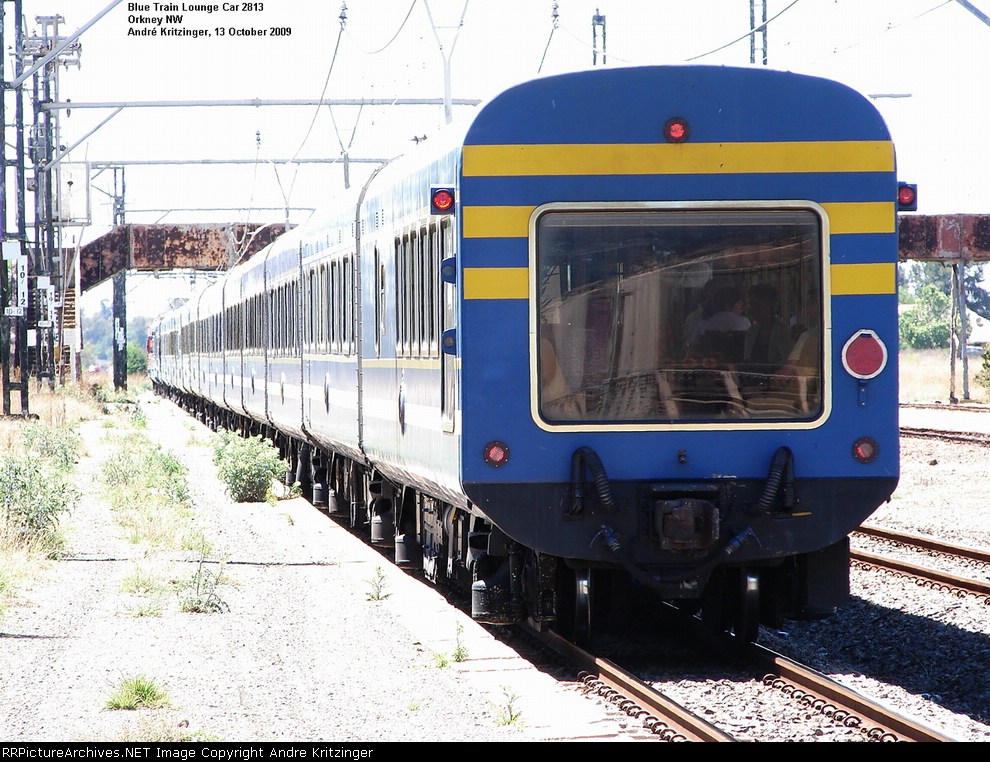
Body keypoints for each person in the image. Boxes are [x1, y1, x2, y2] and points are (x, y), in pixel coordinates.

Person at [743, 283, 792, 368]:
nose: (752, 309)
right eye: (751, 304)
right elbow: (747, 362)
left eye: (757, 305)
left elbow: (788, 363)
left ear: (770, 305)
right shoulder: (751, 332)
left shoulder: (782, 332)